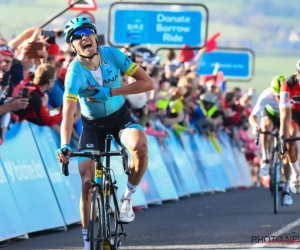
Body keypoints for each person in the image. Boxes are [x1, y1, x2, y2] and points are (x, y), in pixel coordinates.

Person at [54, 17, 155, 250]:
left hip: (120, 118)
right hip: (93, 127)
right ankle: (87, 241)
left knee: (140, 146)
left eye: (87, 32)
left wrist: (111, 91)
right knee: (86, 180)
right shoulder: (74, 74)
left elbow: (147, 83)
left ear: (95, 35)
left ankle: (127, 199)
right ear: (72, 45)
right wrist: (65, 144)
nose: (84, 37)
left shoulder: (113, 55)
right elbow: (67, 114)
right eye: (77, 36)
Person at [249, 75, 293, 205]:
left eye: (282, 96)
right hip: (271, 116)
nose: (279, 99)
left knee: (287, 152)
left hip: (287, 118)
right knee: (265, 126)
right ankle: (265, 157)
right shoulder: (266, 95)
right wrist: (254, 126)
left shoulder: (294, 96)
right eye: (277, 96)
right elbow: (253, 116)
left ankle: (286, 189)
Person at [279, 60, 300, 195]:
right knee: (291, 137)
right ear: (298, 74)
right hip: (294, 113)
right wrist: (283, 139)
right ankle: (296, 173)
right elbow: (285, 116)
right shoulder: (287, 84)